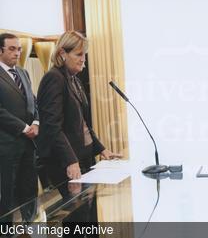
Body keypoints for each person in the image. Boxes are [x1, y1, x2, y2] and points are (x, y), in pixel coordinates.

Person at [36, 31, 121, 199]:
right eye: (79, 54)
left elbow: (83, 124)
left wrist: (101, 149)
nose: (83, 59)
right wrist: (70, 160)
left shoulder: (74, 79)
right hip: (67, 161)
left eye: (85, 54)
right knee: (78, 218)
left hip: (84, 157)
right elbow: (52, 126)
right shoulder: (54, 78)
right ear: (62, 53)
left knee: (90, 215)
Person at [0, 33, 39, 223]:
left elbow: (34, 102)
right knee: (7, 198)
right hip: (7, 147)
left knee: (30, 191)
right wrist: (24, 128)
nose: (17, 53)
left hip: (29, 146)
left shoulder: (23, 72)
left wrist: (36, 123)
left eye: (19, 49)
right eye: (12, 49)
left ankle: (31, 229)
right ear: (0, 51)